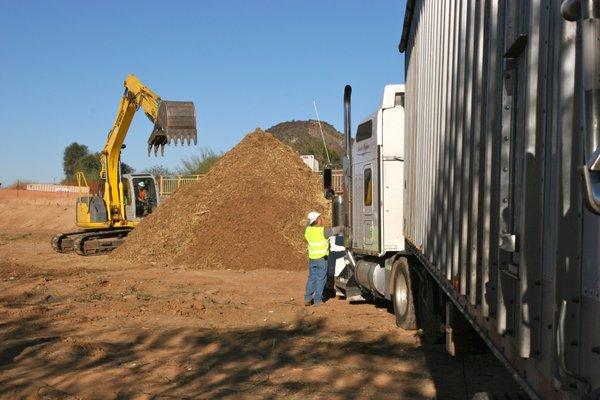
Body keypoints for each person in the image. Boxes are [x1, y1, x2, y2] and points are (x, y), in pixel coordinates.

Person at [304, 211, 342, 306]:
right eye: (320, 218)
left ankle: (308, 298)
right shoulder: (323, 231)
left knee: (312, 278)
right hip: (322, 259)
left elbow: (308, 226)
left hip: (312, 259)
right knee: (321, 279)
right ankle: (318, 301)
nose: (322, 219)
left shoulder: (308, 230)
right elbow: (335, 230)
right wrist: (343, 227)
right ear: (317, 220)